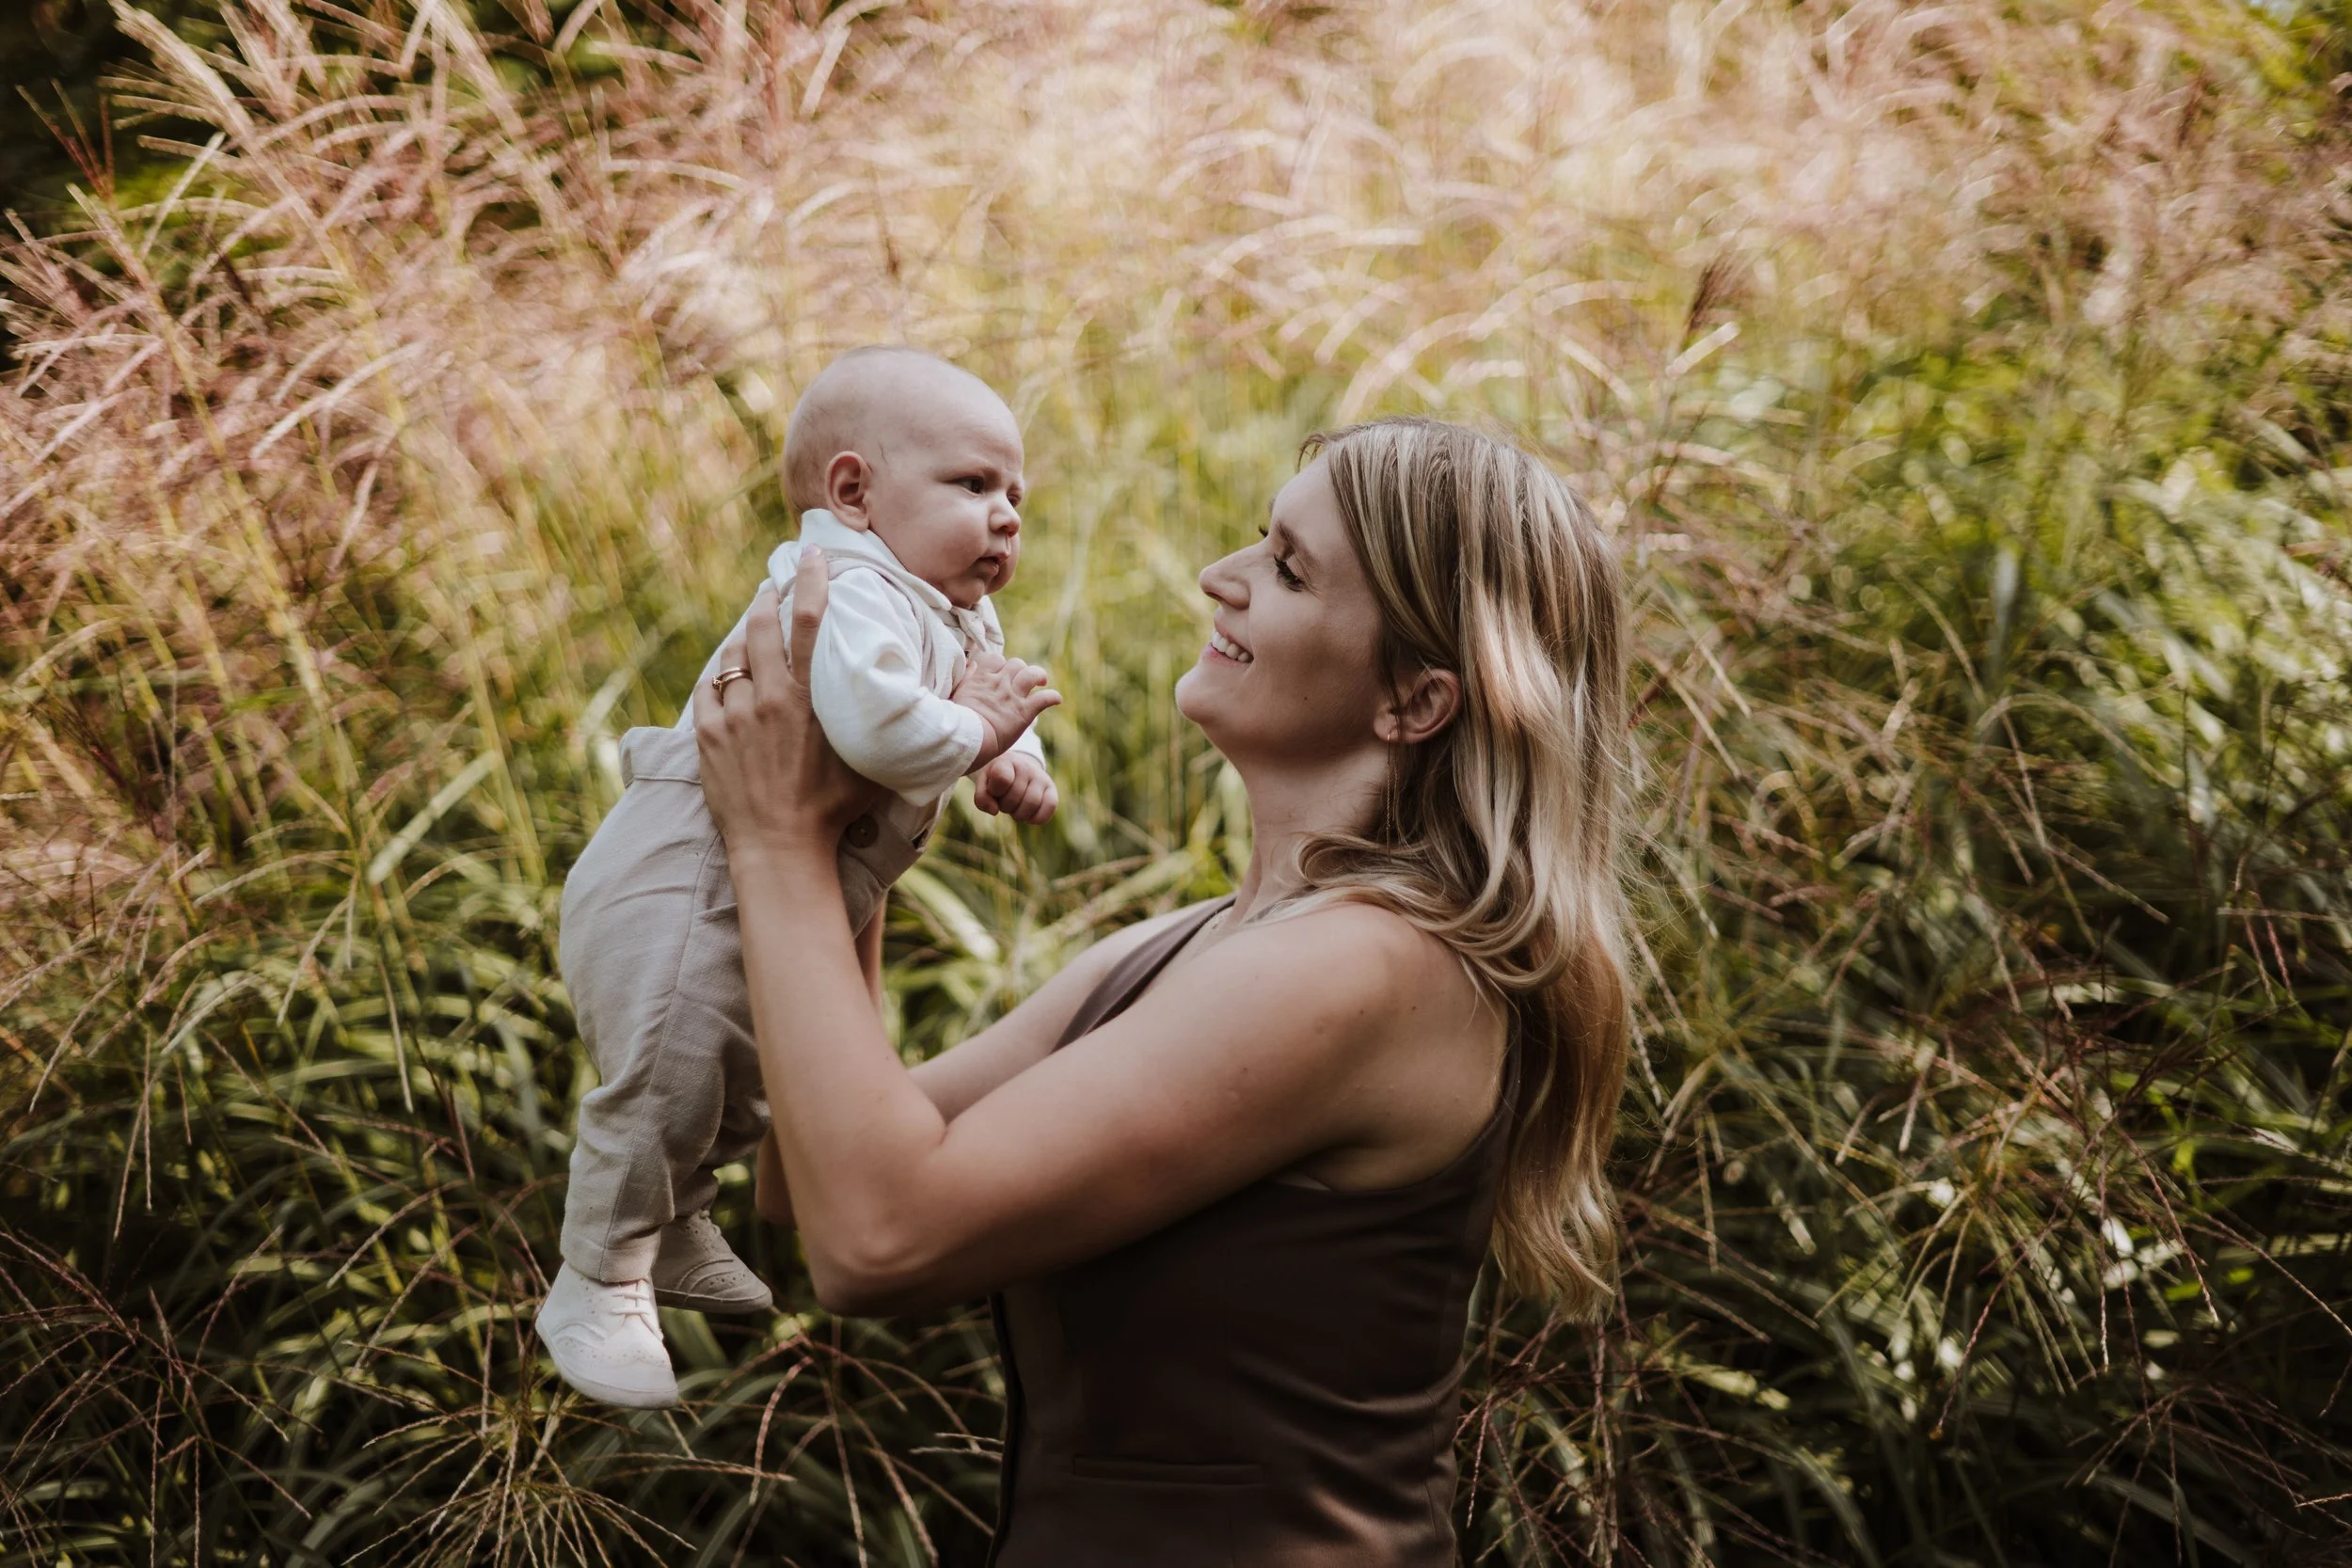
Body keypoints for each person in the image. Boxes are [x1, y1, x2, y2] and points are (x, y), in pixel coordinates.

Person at [698, 416, 1631, 1564]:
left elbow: (876, 1240)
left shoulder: (1369, 967)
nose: (1220, 578)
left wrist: (776, 843)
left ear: (1413, 700)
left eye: (1287, 570)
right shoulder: (1189, 948)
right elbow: (813, 1172)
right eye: (1259, 541)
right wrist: (857, 833)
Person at [538, 348, 1062, 1408]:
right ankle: (599, 1273)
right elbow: (880, 730)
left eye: (1015, 493)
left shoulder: (946, 606)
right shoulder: (848, 588)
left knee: (745, 1069)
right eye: (973, 484)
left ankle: (678, 1221)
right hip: (682, 878)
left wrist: (1013, 757)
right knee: (671, 1067)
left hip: (777, 874)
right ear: (854, 492)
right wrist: (981, 731)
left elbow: (972, 698)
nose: (1006, 514)